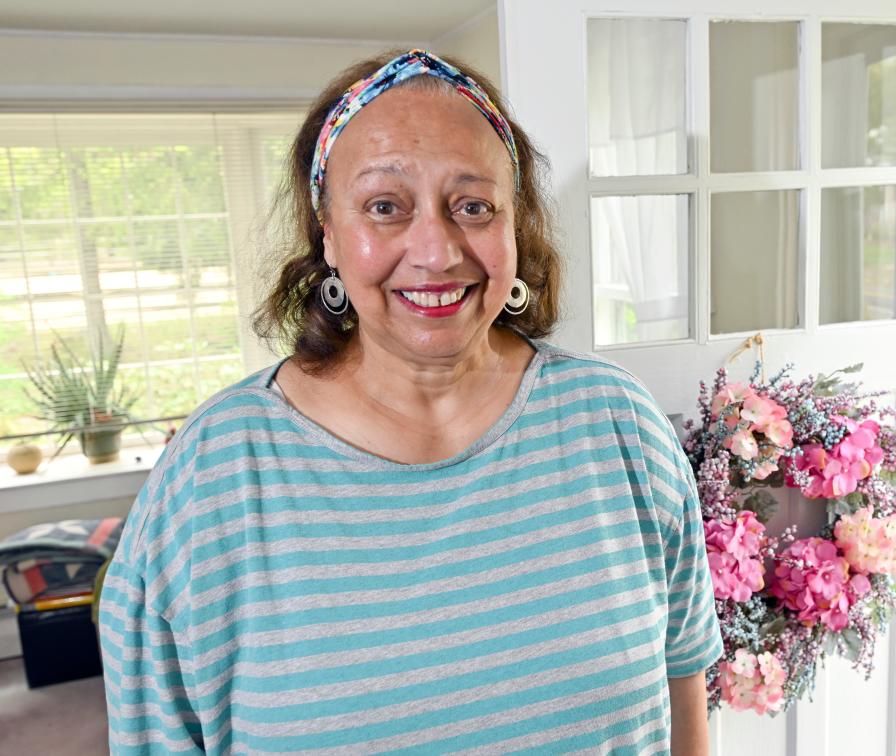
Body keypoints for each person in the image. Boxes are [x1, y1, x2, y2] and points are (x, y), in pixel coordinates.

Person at [98, 49, 722, 754]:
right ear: (328, 235)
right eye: (385, 207)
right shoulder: (209, 481)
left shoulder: (619, 427)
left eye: (473, 206)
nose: (436, 249)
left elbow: (684, 694)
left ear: (515, 230)